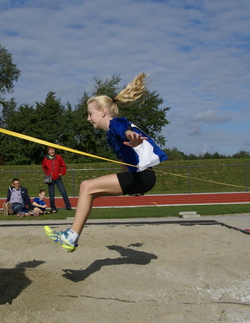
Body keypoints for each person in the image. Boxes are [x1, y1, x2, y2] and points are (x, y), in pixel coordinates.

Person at [44, 73, 167, 253]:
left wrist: (131, 136)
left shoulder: (116, 124)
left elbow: (123, 129)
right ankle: (72, 235)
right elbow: (125, 159)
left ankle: (71, 237)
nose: (88, 118)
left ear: (102, 112)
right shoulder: (111, 135)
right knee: (89, 193)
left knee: (86, 186)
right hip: (139, 178)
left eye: (90, 114)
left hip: (143, 176)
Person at [42, 147, 72, 212]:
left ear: (54, 151)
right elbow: (43, 166)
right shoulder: (45, 159)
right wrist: (47, 173)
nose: (52, 151)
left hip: (58, 178)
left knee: (63, 192)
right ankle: (53, 208)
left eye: (53, 150)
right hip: (50, 178)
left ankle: (68, 206)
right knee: (51, 194)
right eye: (50, 150)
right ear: (48, 152)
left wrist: (62, 172)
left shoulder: (58, 157)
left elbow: (63, 165)